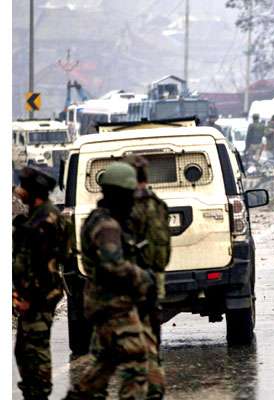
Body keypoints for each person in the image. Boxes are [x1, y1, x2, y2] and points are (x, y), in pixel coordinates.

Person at [65, 162, 155, 399]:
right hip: (112, 304)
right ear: (118, 193)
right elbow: (113, 266)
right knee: (136, 361)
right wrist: (144, 278)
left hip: (107, 302)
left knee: (107, 360)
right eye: (129, 195)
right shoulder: (106, 225)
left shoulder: (105, 219)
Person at [13, 167, 70, 400]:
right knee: (25, 349)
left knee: (36, 349)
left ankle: (40, 392)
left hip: (39, 295)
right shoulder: (37, 216)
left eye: (23, 187)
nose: (19, 191)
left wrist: (27, 297)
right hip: (36, 293)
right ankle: (34, 390)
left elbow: (43, 267)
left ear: (33, 191)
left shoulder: (44, 221)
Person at [126, 156, 171, 400]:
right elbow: (164, 250)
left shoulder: (130, 206)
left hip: (134, 280)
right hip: (156, 278)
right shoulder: (158, 204)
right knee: (152, 336)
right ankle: (155, 389)